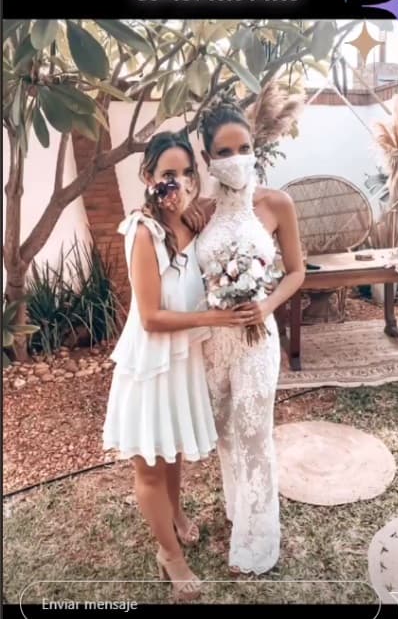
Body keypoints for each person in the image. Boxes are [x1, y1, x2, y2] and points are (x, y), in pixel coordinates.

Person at [102, 130, 255, 601]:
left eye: (188, 173)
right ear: (148, 177)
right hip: (151, 364)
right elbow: (150, 317)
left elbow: (237, 198)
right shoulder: (142, 232)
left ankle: (176, 515)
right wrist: (214, 318)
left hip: (182, 359)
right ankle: (169, 555)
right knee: (151, 465)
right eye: (168, 174)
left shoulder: (191, 222)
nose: (180, 183)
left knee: (171, 452)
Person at [192, 97, 305, 576]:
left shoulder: (277, 204)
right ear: (208, 158)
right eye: (224, 151)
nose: (236, 158)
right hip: (213, 343)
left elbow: (296, 271)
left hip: (258, 339)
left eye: (244, 148)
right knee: (225, 433)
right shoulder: (199, 213)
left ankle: (258, 542)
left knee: (255, 434)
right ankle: (240, 510)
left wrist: (267, 305)